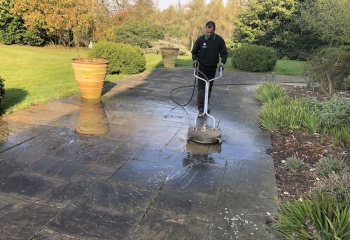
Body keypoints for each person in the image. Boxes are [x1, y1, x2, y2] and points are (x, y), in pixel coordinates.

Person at [191, 21, 227, 117]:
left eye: (211, 32)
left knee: (209, 89)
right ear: (206, 29)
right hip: (202, 68)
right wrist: (195, 60)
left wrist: (222, 63)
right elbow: (194, 52)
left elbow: (224, 53)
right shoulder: (201, 39)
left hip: (212, 68)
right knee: (202, 89)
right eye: (208, 32)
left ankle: (206, 106)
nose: (209, 34)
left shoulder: (219, 40)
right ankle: (201, 109)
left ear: (214, 30)